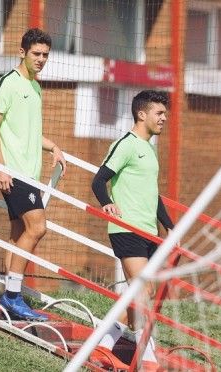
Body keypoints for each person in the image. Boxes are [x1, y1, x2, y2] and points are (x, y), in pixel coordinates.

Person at [0, 28, 66, 322]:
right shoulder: (7, 83)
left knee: (19, 233)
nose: (41, 59)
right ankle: (13, 296)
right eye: (36, 54)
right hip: (14, 172)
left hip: (30, 173)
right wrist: (0, 166)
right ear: (22, 52)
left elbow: (30, 133)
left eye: (45, 55)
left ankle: (9, 296)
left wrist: (53, 146)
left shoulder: (36, 87)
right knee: (38, 227)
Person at [90, 90, 174, 370]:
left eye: (165, 113)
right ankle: (147, 357)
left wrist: (171, 227)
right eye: (159, 113)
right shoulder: (125, 144)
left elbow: (153, 194)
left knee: (142, 291)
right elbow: (99, 181)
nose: (164, 118)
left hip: (149, 232)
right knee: (142, 290)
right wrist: (108, 204)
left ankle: (103, 344)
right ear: (142, 114)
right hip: (127, 230)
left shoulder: (150, 149)